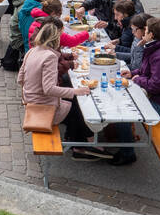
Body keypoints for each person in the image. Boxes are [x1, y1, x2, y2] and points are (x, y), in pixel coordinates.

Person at [17, 19, 107, 160]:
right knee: (77, 107)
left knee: (73, 103)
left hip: (30, 101)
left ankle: (76, 139)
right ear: (55, 38)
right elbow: (48, 89)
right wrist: (75, 91)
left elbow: (20, 79)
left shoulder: (33, 51)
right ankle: (83, 146)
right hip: (43, 107)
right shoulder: (50, 56)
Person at [131, 17, 160, 121]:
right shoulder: (154, 48)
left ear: (151, 35)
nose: (144, 33)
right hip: (157, 98)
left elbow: (155, 85)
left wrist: (137, 79)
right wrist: (131, 74)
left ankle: (127, 136)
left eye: (146, 31)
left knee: (128, 108)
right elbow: (146, 70)